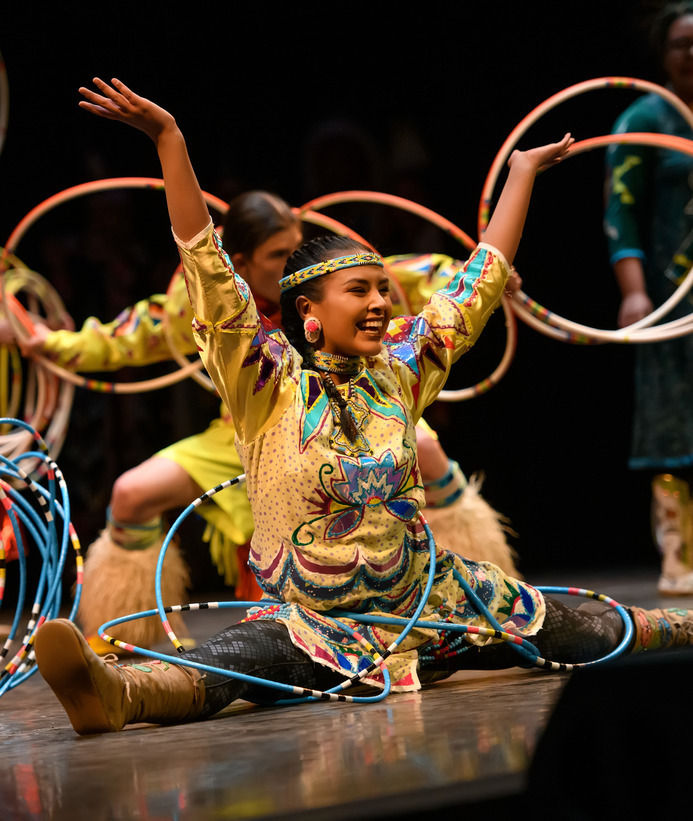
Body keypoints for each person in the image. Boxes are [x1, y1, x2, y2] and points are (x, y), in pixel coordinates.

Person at [35, 77, 693, 738]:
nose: (380, 301)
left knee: (580, 624)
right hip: (317, 627)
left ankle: (684, 625)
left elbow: (480, 276)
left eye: (383, 288)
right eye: (359, 290)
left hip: (433, 608)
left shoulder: (403, 371)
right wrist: (169, 140)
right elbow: (206, 266)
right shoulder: (264, 382)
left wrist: (521, 171)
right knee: (235, 661)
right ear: (309, 314)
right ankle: (118, 690)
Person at [18, 197, 520, 656]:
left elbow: (429, 278)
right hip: (253, 423)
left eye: (295, 249)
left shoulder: (336, 282)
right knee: (130, 493)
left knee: (428, 455)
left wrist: (494, 282)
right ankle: (119, 637)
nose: (294, 264)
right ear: (241, 264)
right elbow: (126, 337)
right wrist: (48, 343)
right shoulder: (202, 303)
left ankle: (469, 606)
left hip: (352, 413)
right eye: (278, 255)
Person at [604, 1, 693, 595]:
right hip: (671, 303)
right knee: (673, 428)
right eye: (683, 43)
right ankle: (679, 556)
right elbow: (621, 216)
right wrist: (636, 295)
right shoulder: (644, 117)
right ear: (663, 55)